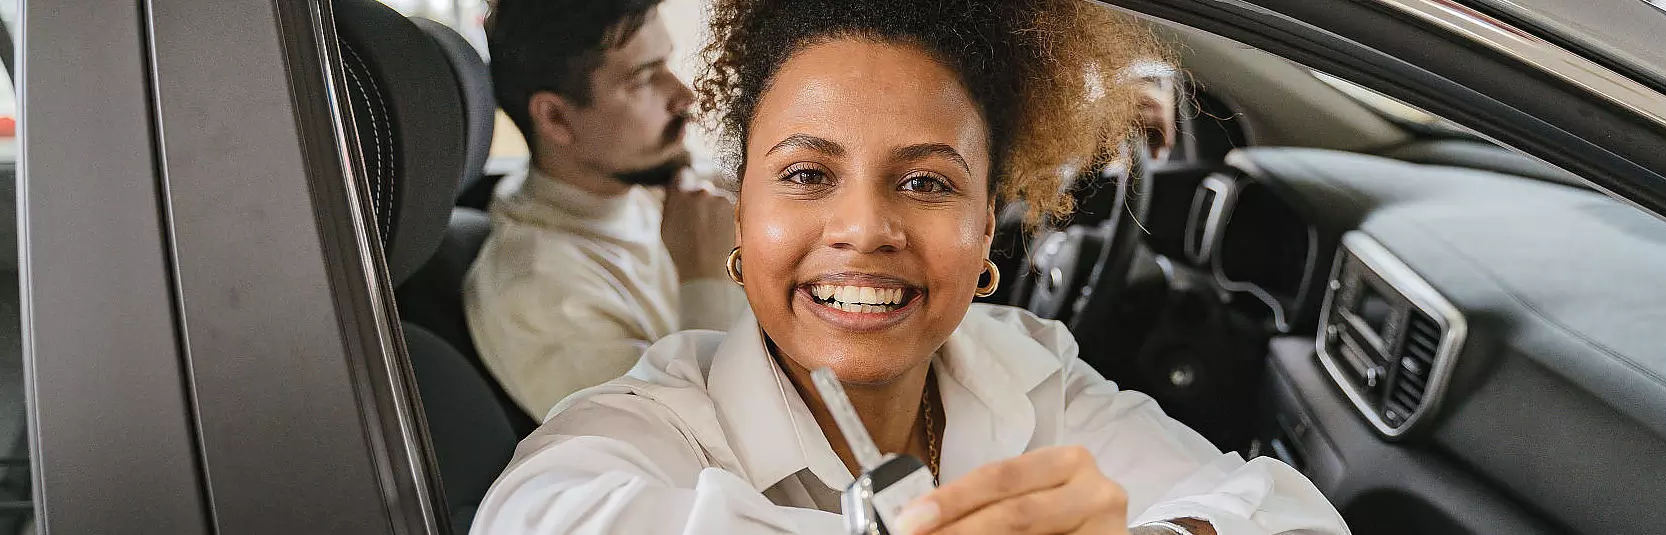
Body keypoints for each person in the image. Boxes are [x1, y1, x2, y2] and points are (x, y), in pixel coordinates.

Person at [471, 0, 1351, 533]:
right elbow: (543, 514)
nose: (863, 226)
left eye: (926, 181)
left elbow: (1293, 515)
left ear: (984, 232)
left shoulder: (1025, 369)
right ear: (742, 210)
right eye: (807, 175)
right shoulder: (638, 426)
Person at [466, 0, 747, 418]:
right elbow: (688, 445)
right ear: (556, 118)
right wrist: (706, 279)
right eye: (643, 79)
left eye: (666, 63)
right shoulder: (536, 295)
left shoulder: (648, 183)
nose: (684, 96)